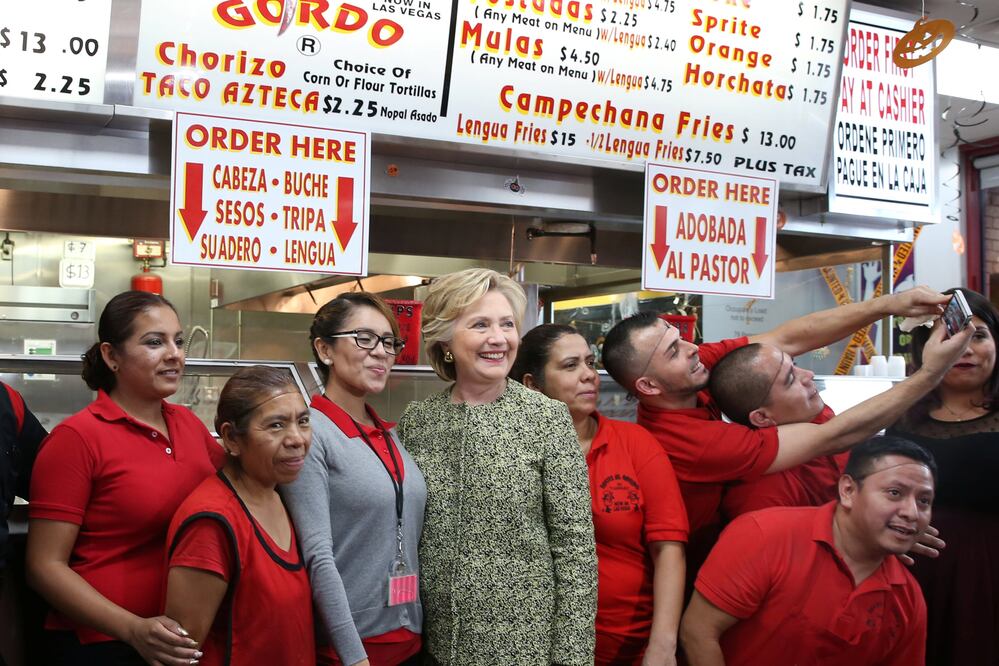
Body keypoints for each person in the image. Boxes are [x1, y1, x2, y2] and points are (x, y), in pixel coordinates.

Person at [599, 287, 965, 537]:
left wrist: (889, 304)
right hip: (701, 561)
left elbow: (788, 338)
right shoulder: (691, 445)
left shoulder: (688, 372)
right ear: (649, 386)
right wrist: (932, 373)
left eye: (680, 338)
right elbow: (831, 436)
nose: (693, 348)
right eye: (673, 351)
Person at [398, 268, 596, 666]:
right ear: (446, 340)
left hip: (525, 646)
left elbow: (576, 548)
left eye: (507, 324)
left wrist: (572, 657)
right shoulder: (418, 420)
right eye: (480, 324)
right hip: (431, 643)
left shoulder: (546, 418)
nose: (498, 338)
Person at [26, 291, 220, 665]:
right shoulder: (77, 438)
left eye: (178, 341)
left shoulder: (189, 425)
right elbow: (44, 566)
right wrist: (133, 628)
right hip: (101, 644)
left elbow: (237, 491)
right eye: (154, 342)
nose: (174, 354)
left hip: (177, 638)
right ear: (111, 356)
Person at [511, 324, 687, 666]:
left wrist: (663, 645)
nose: (589, 375)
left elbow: (669, 547)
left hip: (629, 646)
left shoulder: (634, 443)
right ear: (532, 384)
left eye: (590, 363)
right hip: (536, 645)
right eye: (570, 365)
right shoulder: (511, 452)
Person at [679, 436, 934, 666]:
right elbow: (698, 632)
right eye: (894, 493)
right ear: (848, 491)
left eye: (924, 501)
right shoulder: (765, 534)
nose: (911, 512)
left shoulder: (908, 599)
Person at [282, 293, 426, 666]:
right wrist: (353, 656)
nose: (380, 352)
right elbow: (318, 555)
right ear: (324, 350)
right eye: (364, 338)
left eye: (389, 342)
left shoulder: (391, 435)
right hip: (353, 650)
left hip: (409, 640)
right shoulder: (311, 435)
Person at [164, 366, 316, 666]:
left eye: (303, 421)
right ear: (232, 438)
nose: (297, 438)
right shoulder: (211, 522)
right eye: (276, 425)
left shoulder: (280, 495)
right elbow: (180, 654)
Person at [887, 287, 999, 664]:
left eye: (978, 335)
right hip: (919, 575)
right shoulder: (901, 416)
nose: (964, 348)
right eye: (949, 336)